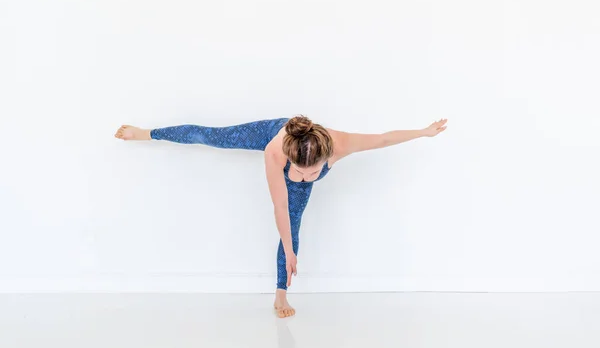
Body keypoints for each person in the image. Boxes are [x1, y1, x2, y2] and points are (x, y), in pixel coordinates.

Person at [114, 115, 447, 317]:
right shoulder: (275, 152)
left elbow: (385, 138)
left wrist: (423, 132)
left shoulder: (341, 144)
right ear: (288, 158)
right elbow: (279, 208)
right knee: (210, 136)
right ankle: (147, 133)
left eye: (312, 173)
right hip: (271, 131)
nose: (303, 178)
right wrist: (289, 249)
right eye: (298, 173)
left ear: (328, 157)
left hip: (309, 141)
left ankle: (280, 296)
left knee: (296, 224)